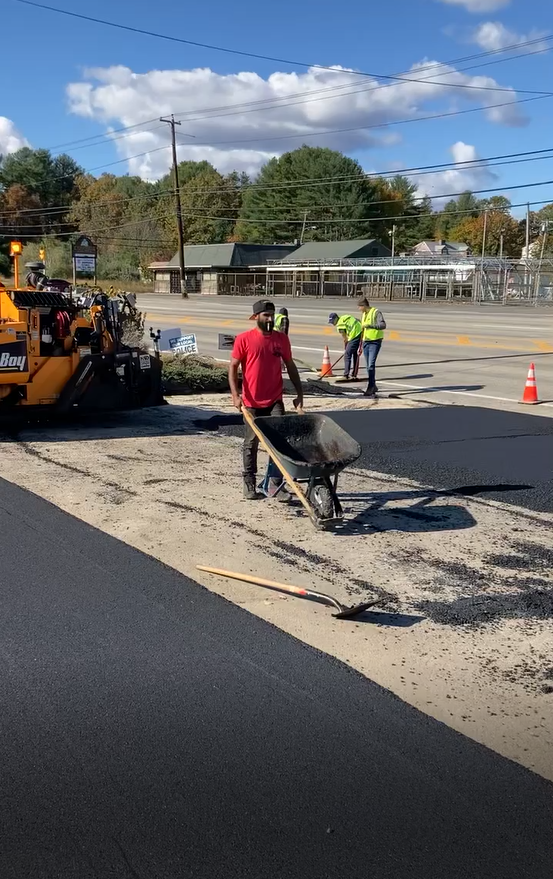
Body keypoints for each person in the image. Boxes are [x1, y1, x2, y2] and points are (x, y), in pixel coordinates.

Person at [229, 300, 303, 500]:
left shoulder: (281, 340)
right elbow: (233, 367)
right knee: (251, 442)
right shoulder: (244, 339)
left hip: (274, 400)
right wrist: (236, 395)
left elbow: (290, 365)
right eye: (266, 315)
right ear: (256, 317)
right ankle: (249, 482)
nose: (270, 319)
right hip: (251, 402)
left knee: (279, 442)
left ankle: (274, 484)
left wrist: (299, 393)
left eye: (272, 315)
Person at [357, 297, 386, 397]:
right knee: (368, 366)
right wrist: (360, 344)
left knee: (371, 365)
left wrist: (370, 325)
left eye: (360, 307)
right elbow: (363, 330)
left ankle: (370, 387)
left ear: (364, 306)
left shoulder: (376, 312)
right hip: (366, 342)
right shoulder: (364, 314)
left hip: (375, 342)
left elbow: (383, 325)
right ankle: (373, 385)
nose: (359, 309)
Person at [328, 312, 362, 381]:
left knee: (347, 355)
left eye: (332, 321)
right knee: (355, 353)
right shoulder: (344, 318)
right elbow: (357, 320)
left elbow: (345, 338)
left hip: (354, 335)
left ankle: (346, 375)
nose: (332, 323)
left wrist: (346, 347)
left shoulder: (340, 325)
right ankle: (354, 375)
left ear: (336, 319)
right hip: (360, 331)